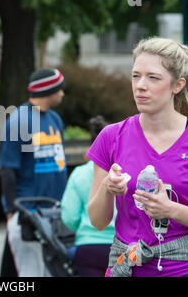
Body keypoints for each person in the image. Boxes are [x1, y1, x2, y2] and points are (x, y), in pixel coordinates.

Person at [87, 37, 188, 277]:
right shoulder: (111, 136)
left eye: (153, 78)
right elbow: (98, 221)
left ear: (178, 85)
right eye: (136, 76)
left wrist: (170, 209)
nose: (140, 85)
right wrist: (107, 188)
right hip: (127, 268)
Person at [0, 68, 68, 277]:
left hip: (54, 213)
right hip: (28, 212)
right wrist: (11, 210)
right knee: (30, 273)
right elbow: (8, 170)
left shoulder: (55, 119)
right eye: (60, 89)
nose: (63, 94)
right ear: (49, 90)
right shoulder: (20, 121)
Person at [61, 115, 116, 277]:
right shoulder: (126, 172)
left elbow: (69, 217)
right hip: (123, 248)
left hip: (88, 248)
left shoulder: (79, 174)